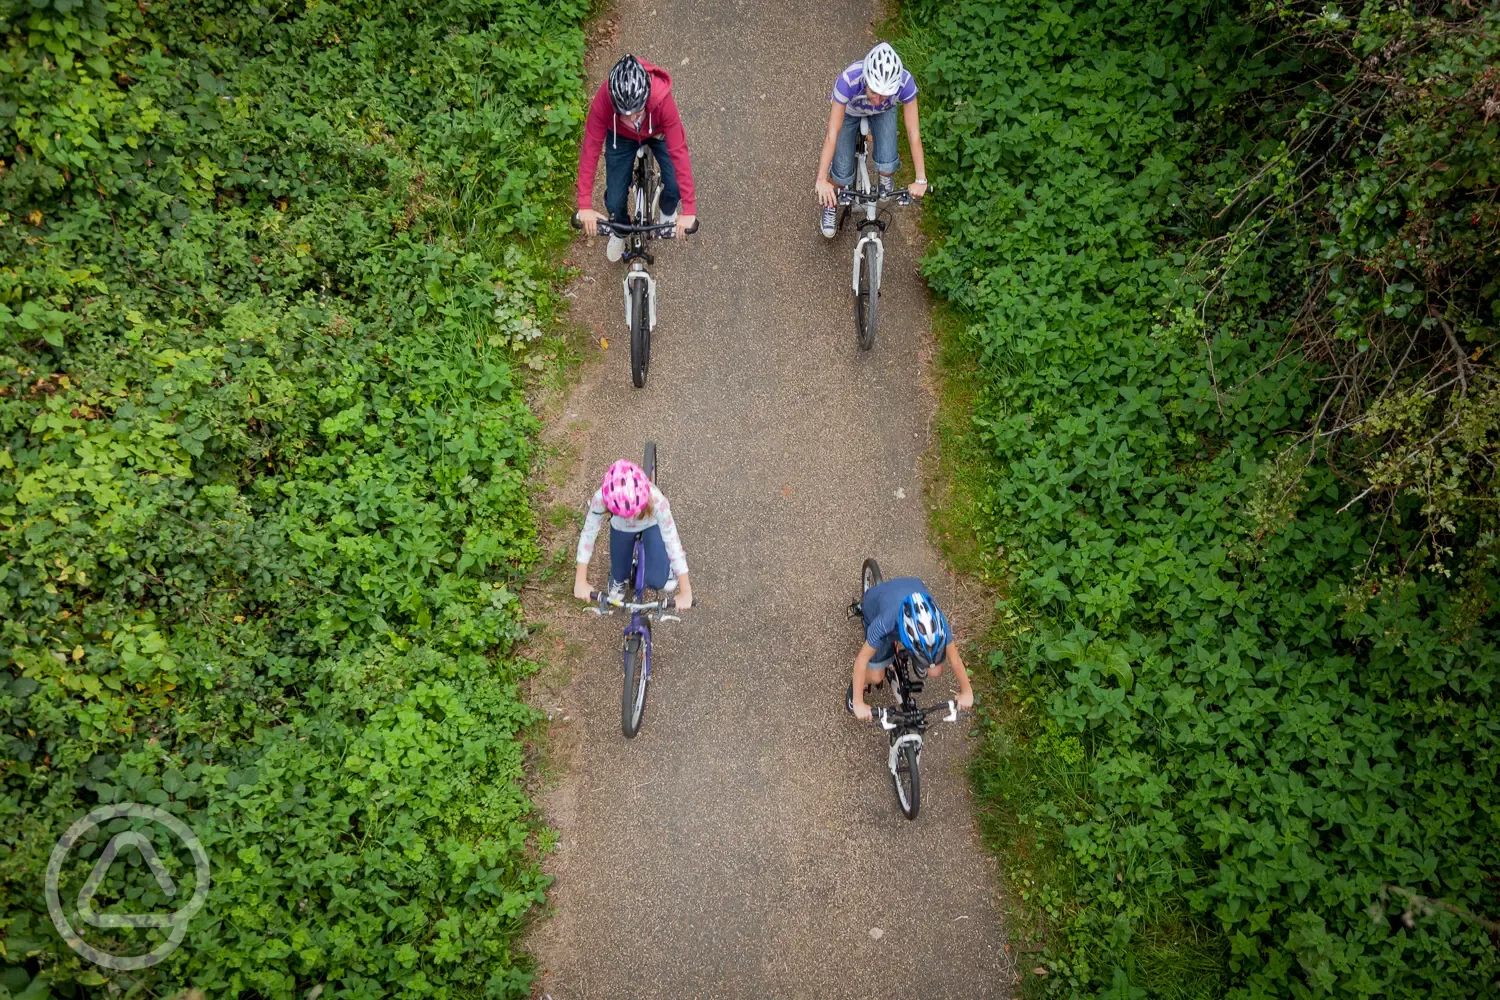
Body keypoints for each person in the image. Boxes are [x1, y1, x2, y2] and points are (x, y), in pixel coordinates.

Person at [576, 54, 698, 262]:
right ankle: (621, 230)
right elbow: (590, 149)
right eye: (624, 112)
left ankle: (667, 211)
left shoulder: (662, 101)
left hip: (657, 132)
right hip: (620, 136)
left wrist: (689, 209)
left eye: (637, 111)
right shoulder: (603, 101)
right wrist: (584, 205)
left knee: (675, 185)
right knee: (615, 201)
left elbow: (678, 151)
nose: (632, 118)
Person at [814, 42, 928, 239]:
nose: (877, 99)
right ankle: (830, 203)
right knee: (841, 175)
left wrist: (920, 179)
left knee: (888, 163)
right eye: (873, 91)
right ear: (866, 80)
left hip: (883, 113)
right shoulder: (848, 81)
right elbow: (832, 134)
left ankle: (885, 178)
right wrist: (822, 179)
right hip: (849, 112)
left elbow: (914, 134)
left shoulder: (905, 83)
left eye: (885, 95)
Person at [573, 458, 694, 610]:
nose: (630, 518)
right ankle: (618, 578)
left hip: (652, 524)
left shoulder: (657, 500)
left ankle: (667, 566)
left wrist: (686, 590)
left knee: (658, 581)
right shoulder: (600, 499)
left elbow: (672, 541)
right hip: (621, 529)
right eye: (621, 513)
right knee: (619, 572)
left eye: (635, 511)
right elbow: (588, 535)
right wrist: (580, 580)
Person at [848, 576, 972, 720]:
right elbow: (862, 660)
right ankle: (858, 684)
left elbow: (955, 659)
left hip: (909, 592)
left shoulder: (939, 624)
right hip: (879, 608)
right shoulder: (883, 623)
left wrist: (967, 690)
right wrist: (858, 702)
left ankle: (920, 655)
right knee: (876, 677)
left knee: (935, 671)